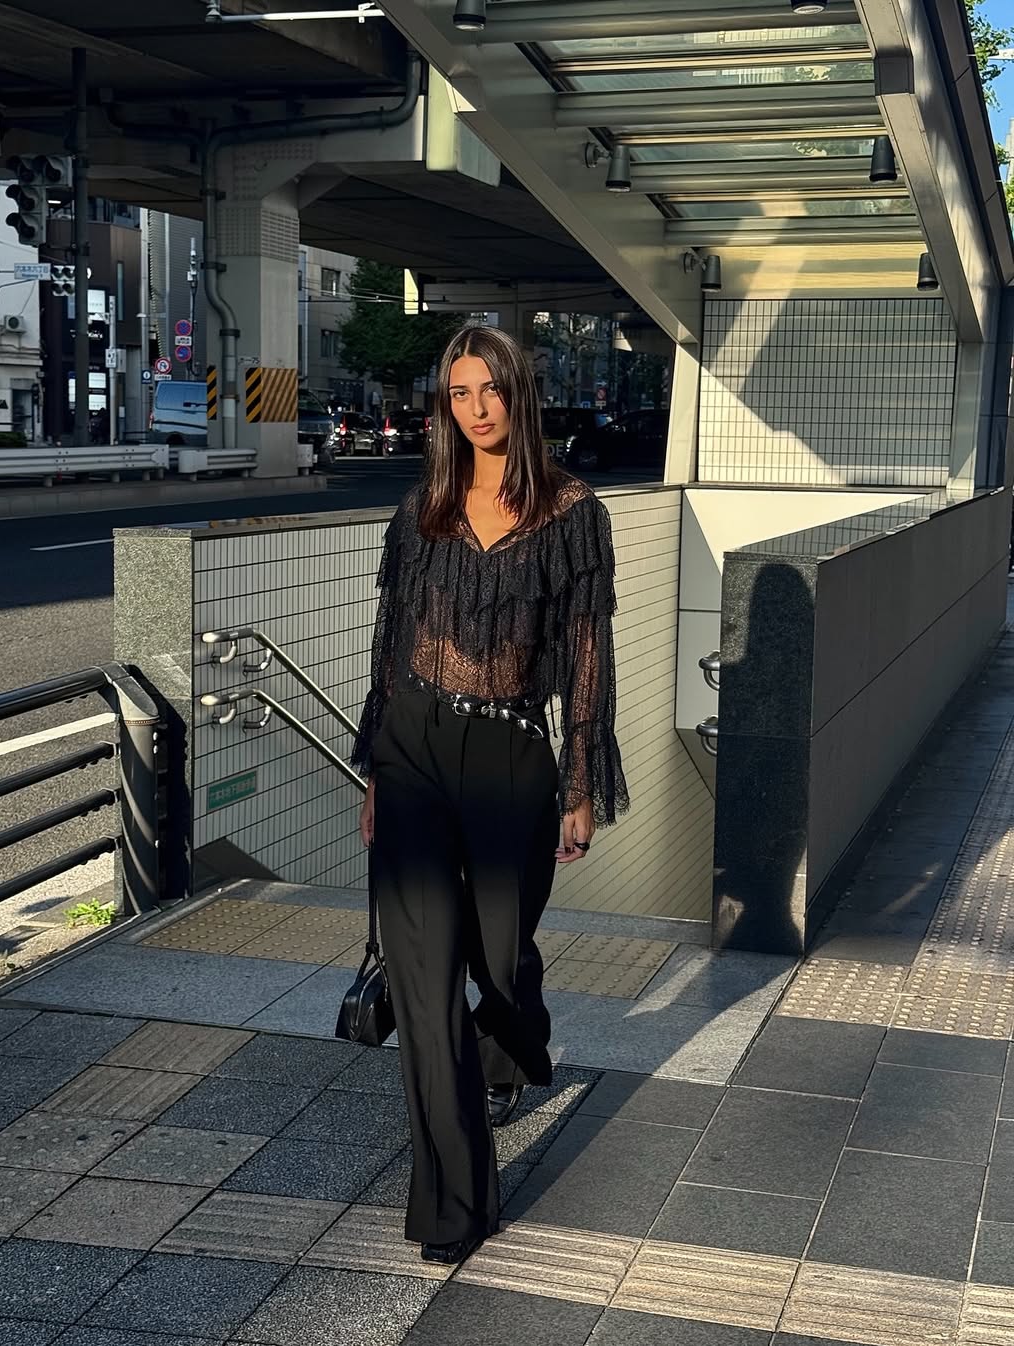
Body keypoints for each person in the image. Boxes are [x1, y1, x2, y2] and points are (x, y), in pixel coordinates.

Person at [351, 322, 629, 1266]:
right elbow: (391, 651)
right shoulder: (420, 512)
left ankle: (517, 1034)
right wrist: (375, 774)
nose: (474, 409)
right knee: (427, 989)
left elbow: (590, 660)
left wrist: (584, 781)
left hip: (513, 759)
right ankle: (454, 1204)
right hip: (415, 749)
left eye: (490, 390)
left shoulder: (570, 513)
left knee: (501, 964)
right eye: (457, 393)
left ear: (518, 394)